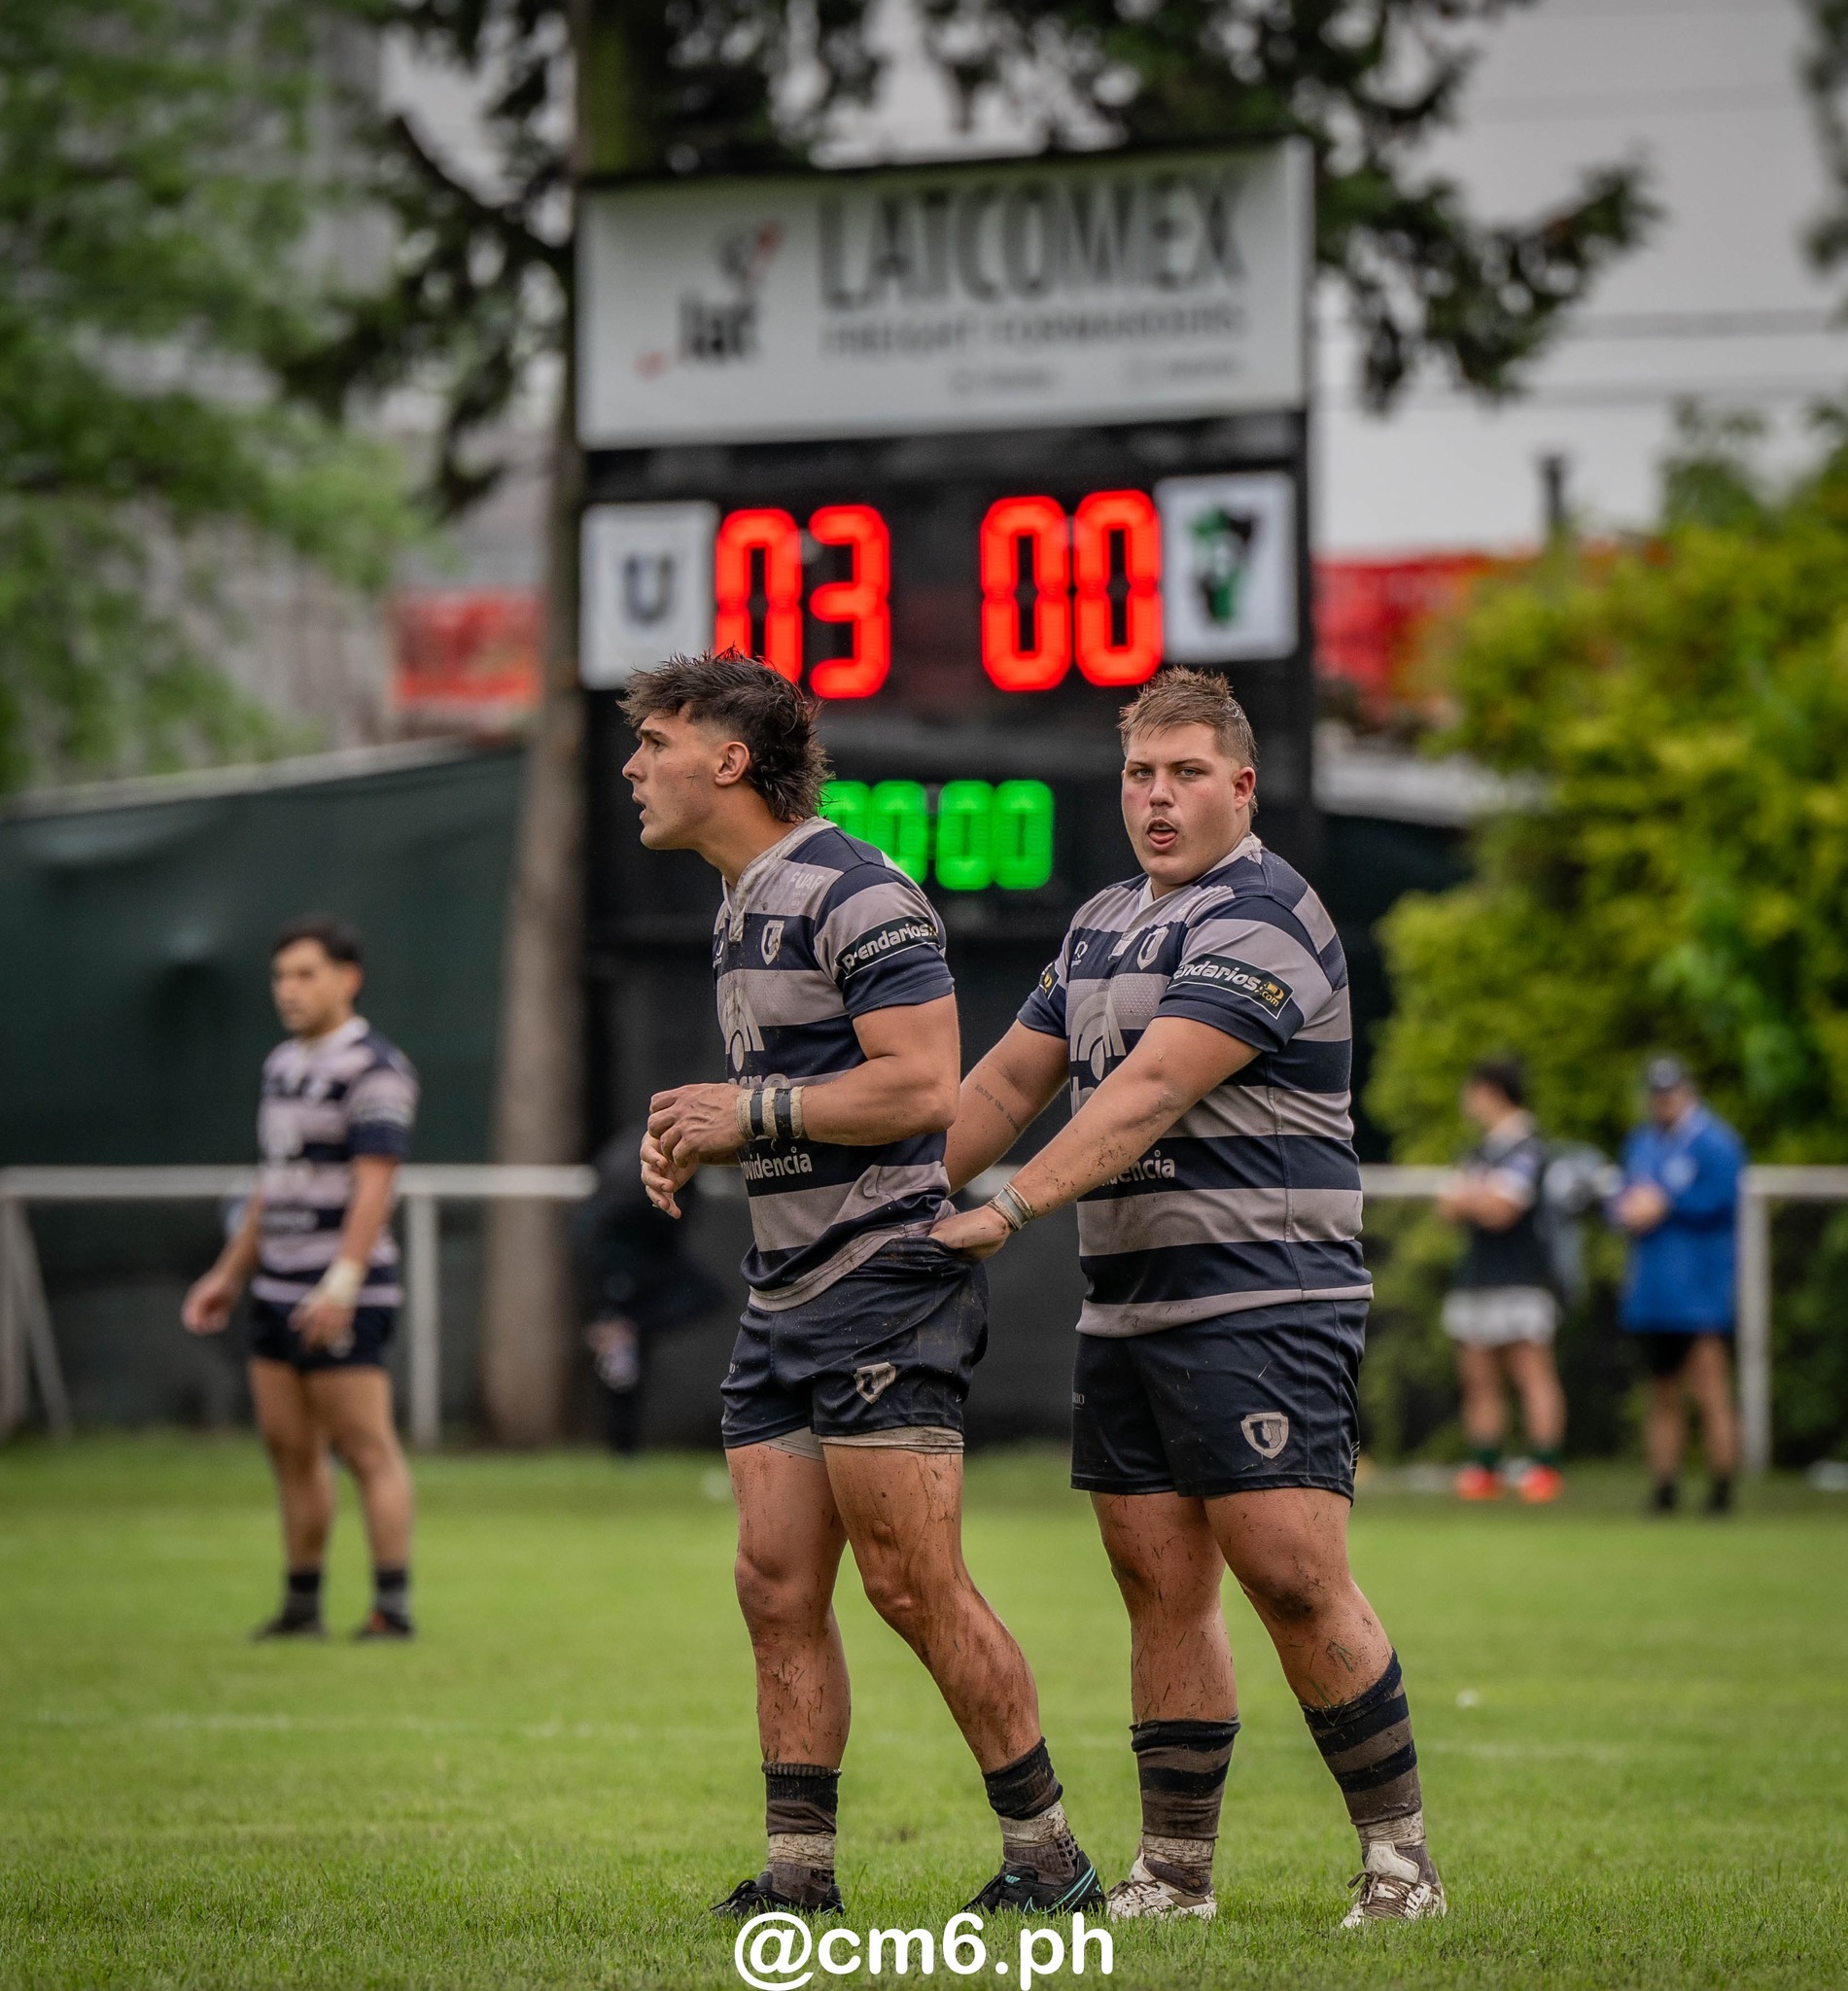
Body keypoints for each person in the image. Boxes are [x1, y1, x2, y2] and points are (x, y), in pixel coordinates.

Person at [932, 667, 1445, 1929]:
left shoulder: (1267, 911)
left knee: (1287, 1569)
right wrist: (889, 1197)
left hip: (1265, 1295)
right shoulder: (1102, 919)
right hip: (1133, 1303)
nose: (1156, 798)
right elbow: (1007, 1082)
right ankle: (1174, 1876)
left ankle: (1400, 1869)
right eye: (1139, 776)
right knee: (1156, 1579)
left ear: (1242, 786)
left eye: (1184, 775)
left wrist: (1006, 1207)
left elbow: (1151, 1090)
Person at [623, 651, 1102, 1921]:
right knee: (773, 1585)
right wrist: (691, 1131)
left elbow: (923, 1085)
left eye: (655, 741)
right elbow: (782, 1108)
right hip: (783, 1291)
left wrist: (749, 1111)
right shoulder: (743, 900)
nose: (633, 767)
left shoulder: (855, 888)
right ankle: (798, 1879)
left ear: (728, 759)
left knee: (908, 1586)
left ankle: (1050, 1864)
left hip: (883, 1283)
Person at [182, 915, 420, 1639]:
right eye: (280, 976)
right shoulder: (282, 1065)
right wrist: (228, 1272)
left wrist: (342, 1283)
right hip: (276, 1286)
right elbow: (273, 1182)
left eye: (305, 974)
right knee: (289, 1447)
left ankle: (391, 1607)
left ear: (347, 979)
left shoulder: (375, 1068)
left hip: (340, 1290)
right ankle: (301, 1603)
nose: (288, 990)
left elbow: (375, 1184)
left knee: (365, 1447)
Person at [1610, 1057, 1744, 1515]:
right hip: (1653, 1295)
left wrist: (1665, 1204)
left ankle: (1722, 1490)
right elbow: (1622, 1198)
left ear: (1688, 1091)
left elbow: (1721, 1199)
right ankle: (1664, 1490)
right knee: (1662, 1394)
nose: (1663, 1101)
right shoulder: (1642, 1142)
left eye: (1671, 1092)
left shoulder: (1716, 1144)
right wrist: (1626, 1208)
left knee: (1710, 1392)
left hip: (1701, 1295)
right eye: (1656, 1093)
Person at [1435, 1059, 1568, 1504]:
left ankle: (1544, 1467)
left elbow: (1500, 1212)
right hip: (1477, 1279)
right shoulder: (1480, 1150)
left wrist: (1471, 1199)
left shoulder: (1528, 1146)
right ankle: (1486, 1467)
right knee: (1477, 1377)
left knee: (1532, 1374)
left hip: (1522, 1279)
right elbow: (1448, 1209)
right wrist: (1478, 1198)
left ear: (1491, 1091)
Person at [571, 1126, 726, 1454]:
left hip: (656, 1265)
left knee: (704, 1296)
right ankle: (621, 1449)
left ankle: (625, 1328)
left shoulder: (682, 1162)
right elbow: (590, 1233)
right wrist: (599, 1305)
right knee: (621, 1366)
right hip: (620, 1267)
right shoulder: (628, 1171)